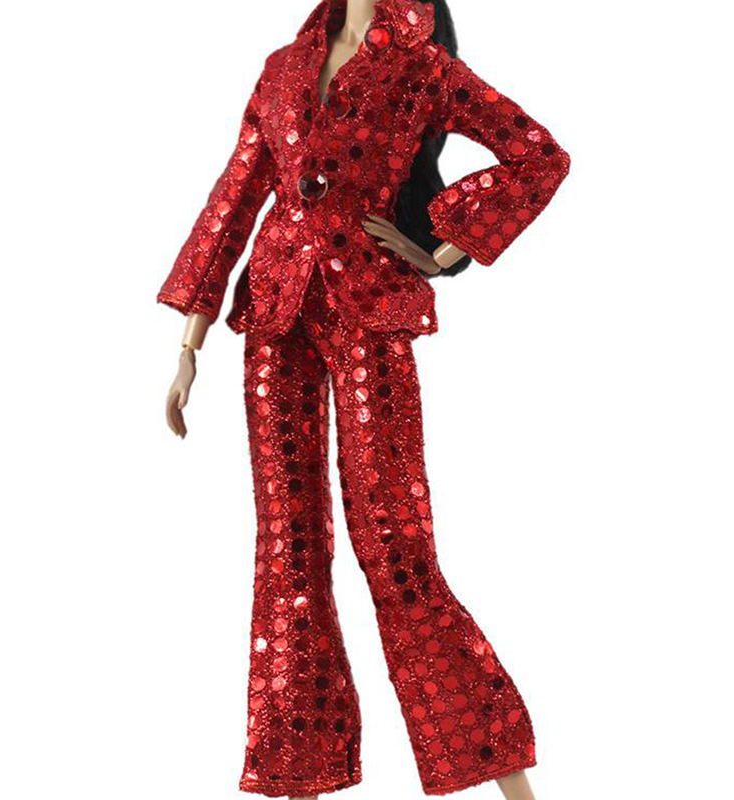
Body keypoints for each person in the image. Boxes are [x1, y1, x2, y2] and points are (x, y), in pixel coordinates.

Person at [157, 1, 570, 797]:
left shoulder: (422, 66)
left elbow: (538, 155)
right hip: (274, 316)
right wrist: (188, 345)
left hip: (371, 309)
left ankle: (499, 769)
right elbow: (236, 192)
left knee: (396, 546)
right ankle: (296, 773)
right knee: (287, 548)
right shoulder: (283, 68)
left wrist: (442, 248)